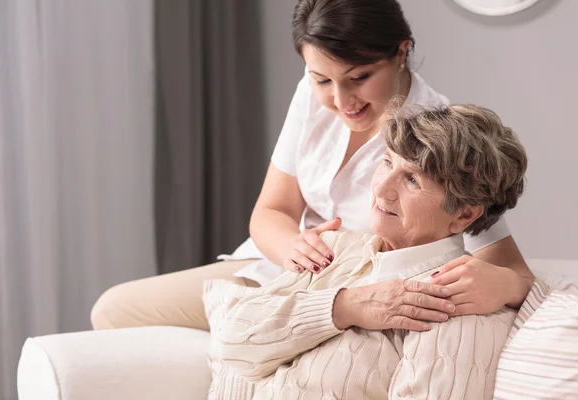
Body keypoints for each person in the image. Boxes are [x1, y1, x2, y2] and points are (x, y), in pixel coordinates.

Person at [90, 0, 533, 332]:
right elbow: (271, 211)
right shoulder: (311, 97)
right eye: (322, 79)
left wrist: (504, 286)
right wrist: (292, 249)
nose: (341, 101)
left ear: (401, 53)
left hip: (349, 293)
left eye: (359, 77)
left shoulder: (437, 136)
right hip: (276, 271)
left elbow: (512, 271)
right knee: (113, 309)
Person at [203, 104, 527, 400]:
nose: (381, 189)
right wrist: (341, 306)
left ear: (464, 215)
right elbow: (232, 342)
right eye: (387, 162)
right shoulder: (334, 247)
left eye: (412, 179)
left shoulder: (452, 300)